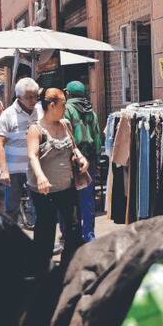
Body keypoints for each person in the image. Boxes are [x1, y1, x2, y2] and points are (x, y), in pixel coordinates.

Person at [27, 87, 87, 272]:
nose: (65, 107)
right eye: (62, 104)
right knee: (45, 231)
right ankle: (41, 272)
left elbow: (73, 147)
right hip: (44, 191)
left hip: (67, 187)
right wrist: (40, 176)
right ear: (51, 105)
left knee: (74, 230)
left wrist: (80, 156)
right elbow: (32, 155)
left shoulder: (65, 124)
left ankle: (68, 269)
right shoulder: (36, 129)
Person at [0, 78, 41, 228]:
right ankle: (10, 242)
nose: (33, 100)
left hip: (34, 168)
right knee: (11, 208)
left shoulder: (40, 111)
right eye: (29, 97)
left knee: (39, 207)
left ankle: (41, 243)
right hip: (13, 170)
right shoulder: (8, 115)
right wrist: (4, 170)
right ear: (19, 97)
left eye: (35, 96)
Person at [63, 80, 102, 243]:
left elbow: (65, 135)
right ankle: (89, 235)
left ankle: (72, 234)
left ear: (69, 94)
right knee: (87, 199)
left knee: (69, 199)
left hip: (72, 159)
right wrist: (97, 158)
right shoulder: (91, 112)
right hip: (89, 160)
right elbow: (98, 136)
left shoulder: (66, 110)